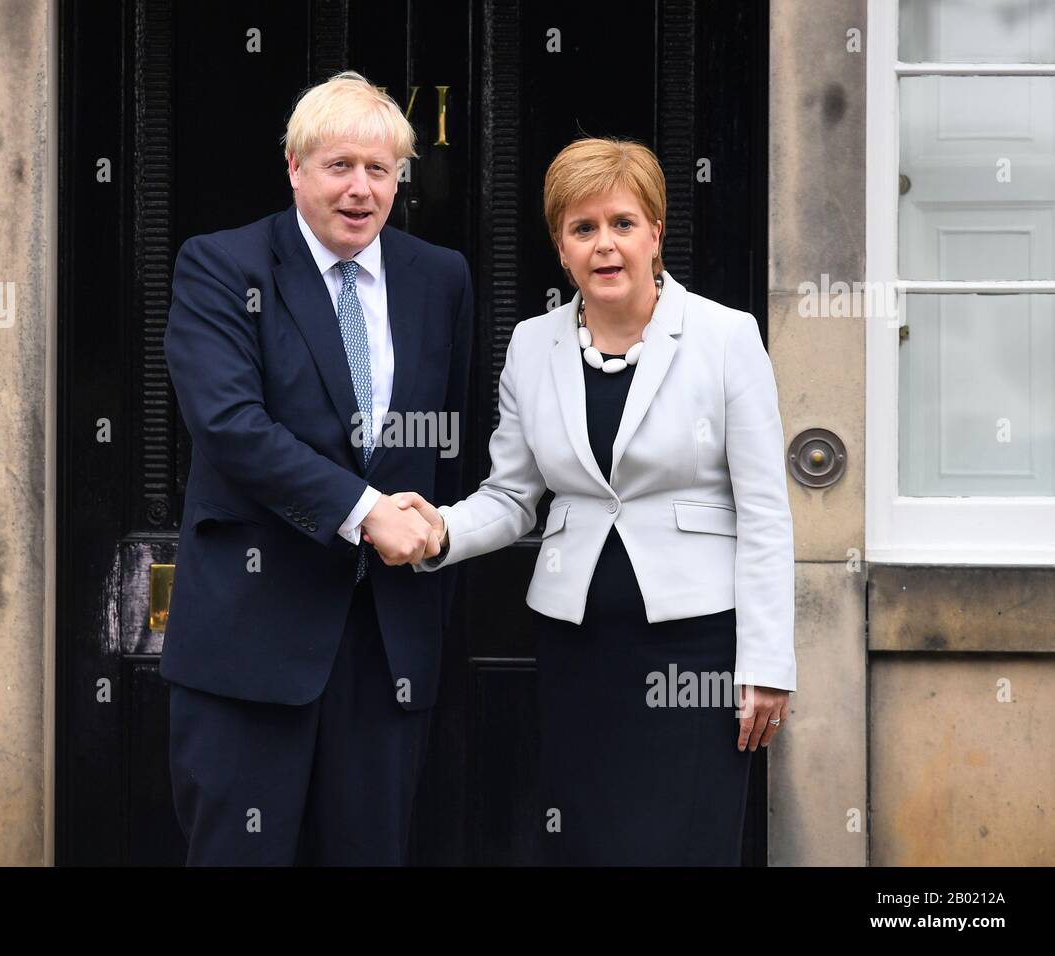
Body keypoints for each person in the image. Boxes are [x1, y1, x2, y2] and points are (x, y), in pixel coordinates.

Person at [394, 137, 795, 865]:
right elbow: (512, 494)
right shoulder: (531, 345)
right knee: (591, 845)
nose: (604, 245)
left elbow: (765, 511)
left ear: (654, 233)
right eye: (583, 229)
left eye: (622, 223)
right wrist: (440, 531)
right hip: (579, 648)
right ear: (560, 247)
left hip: (696, 650)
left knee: (688, 844)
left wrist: (767, 663)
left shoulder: (726, 337)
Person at [160, 71, 473, 865]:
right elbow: (231, 426)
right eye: (339, 166)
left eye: (381, 171)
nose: (362, 190)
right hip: (251, 642)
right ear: (294, 168)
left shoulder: (440, 278)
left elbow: (449, 444)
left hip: (388, 645)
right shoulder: (223, 267)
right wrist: (366, 509)